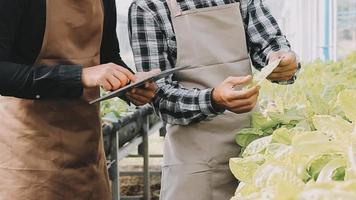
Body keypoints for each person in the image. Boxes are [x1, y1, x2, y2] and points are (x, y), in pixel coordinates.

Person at [128, 0, 300, 199]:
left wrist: (282, 61)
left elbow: (269, 44)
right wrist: (213, 99)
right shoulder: (149, 7)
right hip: (194, 161)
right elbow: (159, 95)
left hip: (251, 150)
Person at [0, 0, 155, 199]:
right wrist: (79, 75)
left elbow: (108, 55)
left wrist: (129, 86)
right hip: (29, 156)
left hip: (87, 152)